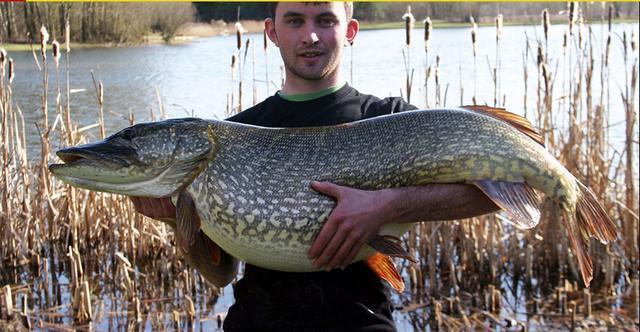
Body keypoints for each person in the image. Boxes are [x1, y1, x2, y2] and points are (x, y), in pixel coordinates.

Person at [133, 2, 498, 331]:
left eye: (325, 20)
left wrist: (390, 205)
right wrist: (175, 219)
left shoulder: (391, 120)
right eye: (294, 20)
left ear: (350, 30)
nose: (310, 35)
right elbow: (220, 274)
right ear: (272, 32)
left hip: (360, 323)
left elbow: (494, 195)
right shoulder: (237, 134)